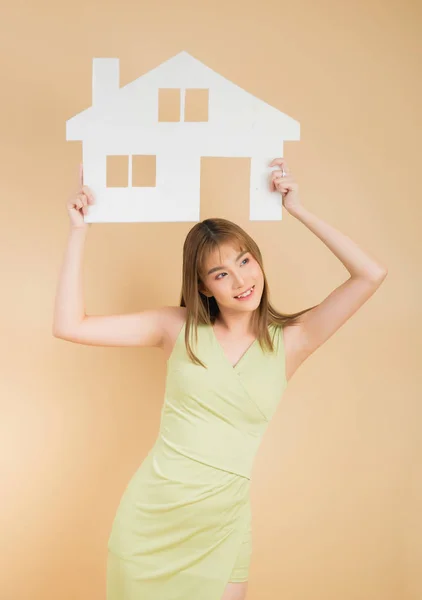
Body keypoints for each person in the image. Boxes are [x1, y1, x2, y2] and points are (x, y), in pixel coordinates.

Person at [53, 158, 387, 600]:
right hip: (152, 518)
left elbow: (370, 274)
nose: (241, 280)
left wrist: (299, 210)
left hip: (223, 525)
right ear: (205, 286)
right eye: (221, 273)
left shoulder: (293, 341)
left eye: (245, 261)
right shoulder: (174, 328)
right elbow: (69, 325)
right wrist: (79, 232)